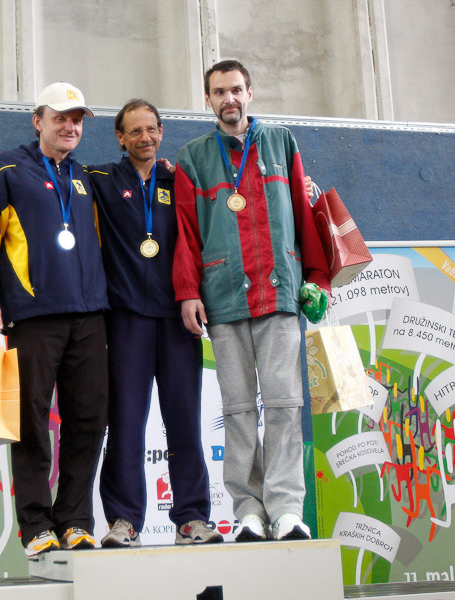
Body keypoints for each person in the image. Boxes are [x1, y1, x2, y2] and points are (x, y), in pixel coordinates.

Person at [171, 60, 331, 542]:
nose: (230, 99)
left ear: (250, 93)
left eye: (237, 89)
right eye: (220, 91)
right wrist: (188, 292)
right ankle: (248, 511)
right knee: (238, 410)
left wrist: (318, 276)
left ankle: (285, 510)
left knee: (284, 405)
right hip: (223, 298)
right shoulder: (192, 157)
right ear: (208, 100)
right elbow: (185, 233)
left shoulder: (282, 143)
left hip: (279, 292)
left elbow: (302, 212)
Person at [0, 82, 110, 557]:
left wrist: (165, 169)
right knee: (30, 422)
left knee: (88, 421)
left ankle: (76, 521)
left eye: (77, 120)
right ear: (37, 121)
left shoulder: (86, 176)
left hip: (89, 317)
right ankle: (36, 525)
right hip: (33, 317)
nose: (70, 127)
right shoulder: (8, 170)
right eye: (60, 117)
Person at [87, 100, 220, 547]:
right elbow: (51, 176)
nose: (145, 137)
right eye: (135, 131)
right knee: (126, 425)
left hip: (178, 318)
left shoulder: (179, 179)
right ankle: (124, 522)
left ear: (162, 132)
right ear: (120, 138)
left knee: (184, 423)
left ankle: (192, 518)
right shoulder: (101, 179)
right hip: (126, 320)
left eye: (152, 129)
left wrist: (307, 188)